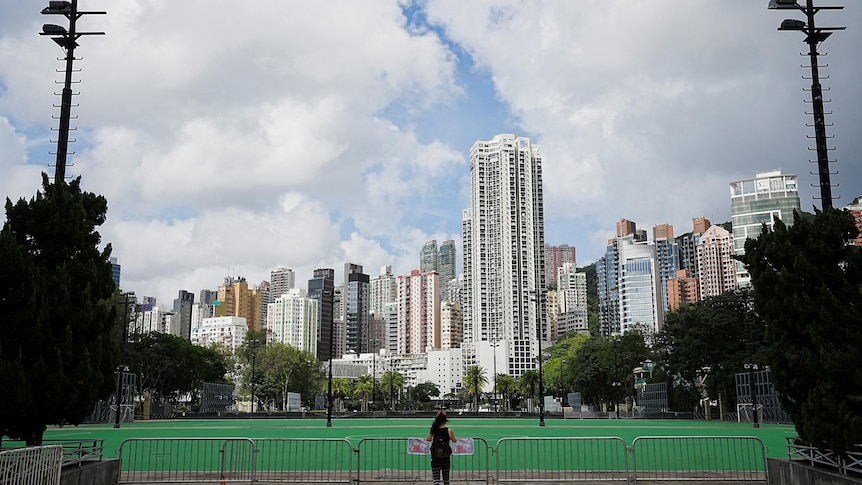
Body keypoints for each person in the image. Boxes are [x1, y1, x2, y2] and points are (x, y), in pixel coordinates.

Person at [426, 411, 457, 485]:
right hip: (445, 457)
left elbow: (428, 439)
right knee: (446, 480)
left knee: (436, 479)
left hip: (435, 457)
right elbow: (454, 440)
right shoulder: (449, 431)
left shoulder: (433, 429)